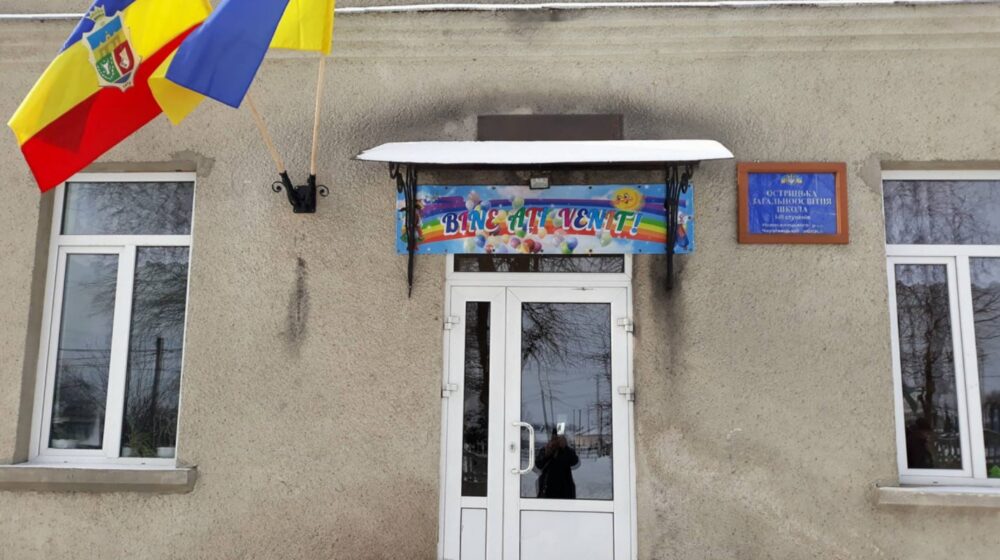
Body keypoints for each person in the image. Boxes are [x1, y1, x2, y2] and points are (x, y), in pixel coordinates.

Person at [536, 431, 579, 499]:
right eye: (553, 438)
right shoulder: (545, 450)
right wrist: (546, 455)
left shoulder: (566, 450)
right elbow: (538, 465)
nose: (555, 441)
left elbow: (575, 462)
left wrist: (565, 448)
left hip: (565, 490)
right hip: (547, 490)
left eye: (557, 438)